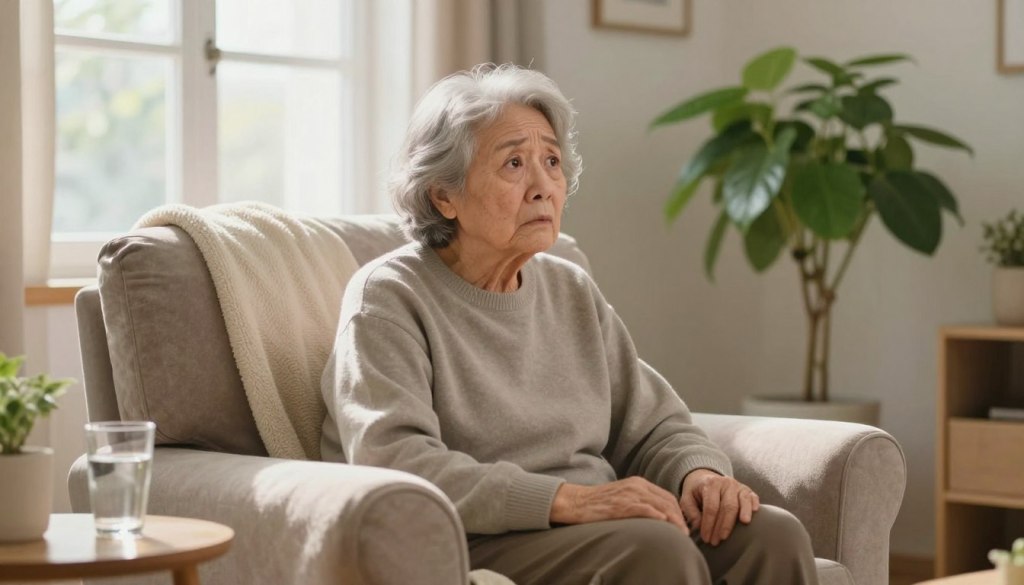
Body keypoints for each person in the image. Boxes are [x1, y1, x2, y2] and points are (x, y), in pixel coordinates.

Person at [320, 63, 819, 585]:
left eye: (552, 161)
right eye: (513, 163)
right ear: (444, 194)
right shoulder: (389, 297)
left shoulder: (568, 287)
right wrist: (570, 500)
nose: (543, 186)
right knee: (654, 551)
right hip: (478, 537)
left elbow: (652, 425)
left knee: (770, 535)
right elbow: (398, 462)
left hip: (597, 525)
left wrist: (699, 473)